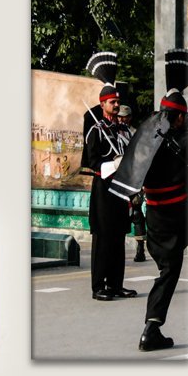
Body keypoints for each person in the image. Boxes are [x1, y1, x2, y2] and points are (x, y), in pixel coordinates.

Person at [110, 51, 188, 351]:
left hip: (156, 217)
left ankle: (153, 327)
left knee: (169, 266)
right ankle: (151, 329)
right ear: (179, 117)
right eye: (184, 116)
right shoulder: (182, 140)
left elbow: (132, 171)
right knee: (171, 267)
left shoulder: (147, 135)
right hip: (175, 216)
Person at [80, 52, 137, 301]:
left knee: (118, 238)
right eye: (111, 102)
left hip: (121, 190)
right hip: (103, 190)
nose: (116, 105)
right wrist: (113, 164)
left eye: (117, 101)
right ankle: (98, 286)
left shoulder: (123, 130)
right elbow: (92, 163)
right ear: (102, 104)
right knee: (103, 238)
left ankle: (115, 284)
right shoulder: (95, 130)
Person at [118, 103, 147, 264]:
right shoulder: (113, 131)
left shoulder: (135, 134)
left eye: (125, 117)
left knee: (136, 213)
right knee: (119, 214)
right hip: (117, 178)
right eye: (120, 116)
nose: (122, 119)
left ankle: (140, 248)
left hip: (134, 178)